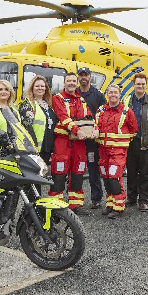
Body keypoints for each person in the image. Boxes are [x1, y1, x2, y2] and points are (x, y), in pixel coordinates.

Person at [50, 73, 96, 215]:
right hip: (63, 142)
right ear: (64, 83)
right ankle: (56, 204)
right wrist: (77, 130)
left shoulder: (81, 100)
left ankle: (75, 205)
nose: (71, 83)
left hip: (79, 143)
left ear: (77, 83)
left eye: (73, 81)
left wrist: (95, 129)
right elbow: (63, 117)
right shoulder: (58, 98)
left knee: (78, 171)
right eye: (68, 81)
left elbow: (89, 117)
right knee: (59, 171)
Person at [95, 84, 138, 219]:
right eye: (110, 92)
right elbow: (96, 126)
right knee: (106, 176)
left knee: (114, 176)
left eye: (115, 92)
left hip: (118, 151)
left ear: (120, 95)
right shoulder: (101, 110)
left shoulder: (126, 111)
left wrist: (122, 143)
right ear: (107, 94)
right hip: (103, 150)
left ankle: (119, 206)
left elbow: (134, 129)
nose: (113, 94)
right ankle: (110, 204)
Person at [122, 72, 148, 212]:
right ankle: (131, 197)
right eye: (138, 84)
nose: (140, 86)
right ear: (133, 85)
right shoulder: (126, 101)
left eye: (143, 84)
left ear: (146, 85)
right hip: (131, 142)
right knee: (131, 171)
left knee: (145, 173)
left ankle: (143, 200)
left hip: (147, 143)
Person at [77, 67, 106, 209]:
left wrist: (97, 130)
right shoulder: (74, 94)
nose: (83, 77)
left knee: (93, 168)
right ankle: (74, 199)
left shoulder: (98, 95)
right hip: (76, 138)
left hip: (92, 140)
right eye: (81, 75)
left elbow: (104, 115)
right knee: (75, 169)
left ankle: (96, 198)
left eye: (86, 75)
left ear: (90, 77)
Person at [17, 75, 57, 164]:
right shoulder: (27, 104)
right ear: (32, 88)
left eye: (42, 86)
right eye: (37, 86)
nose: (40, 88)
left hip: (47, 147)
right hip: (34, 149)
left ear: (46, 88)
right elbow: (26, 127)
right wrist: (32, 146)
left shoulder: (48, 104)